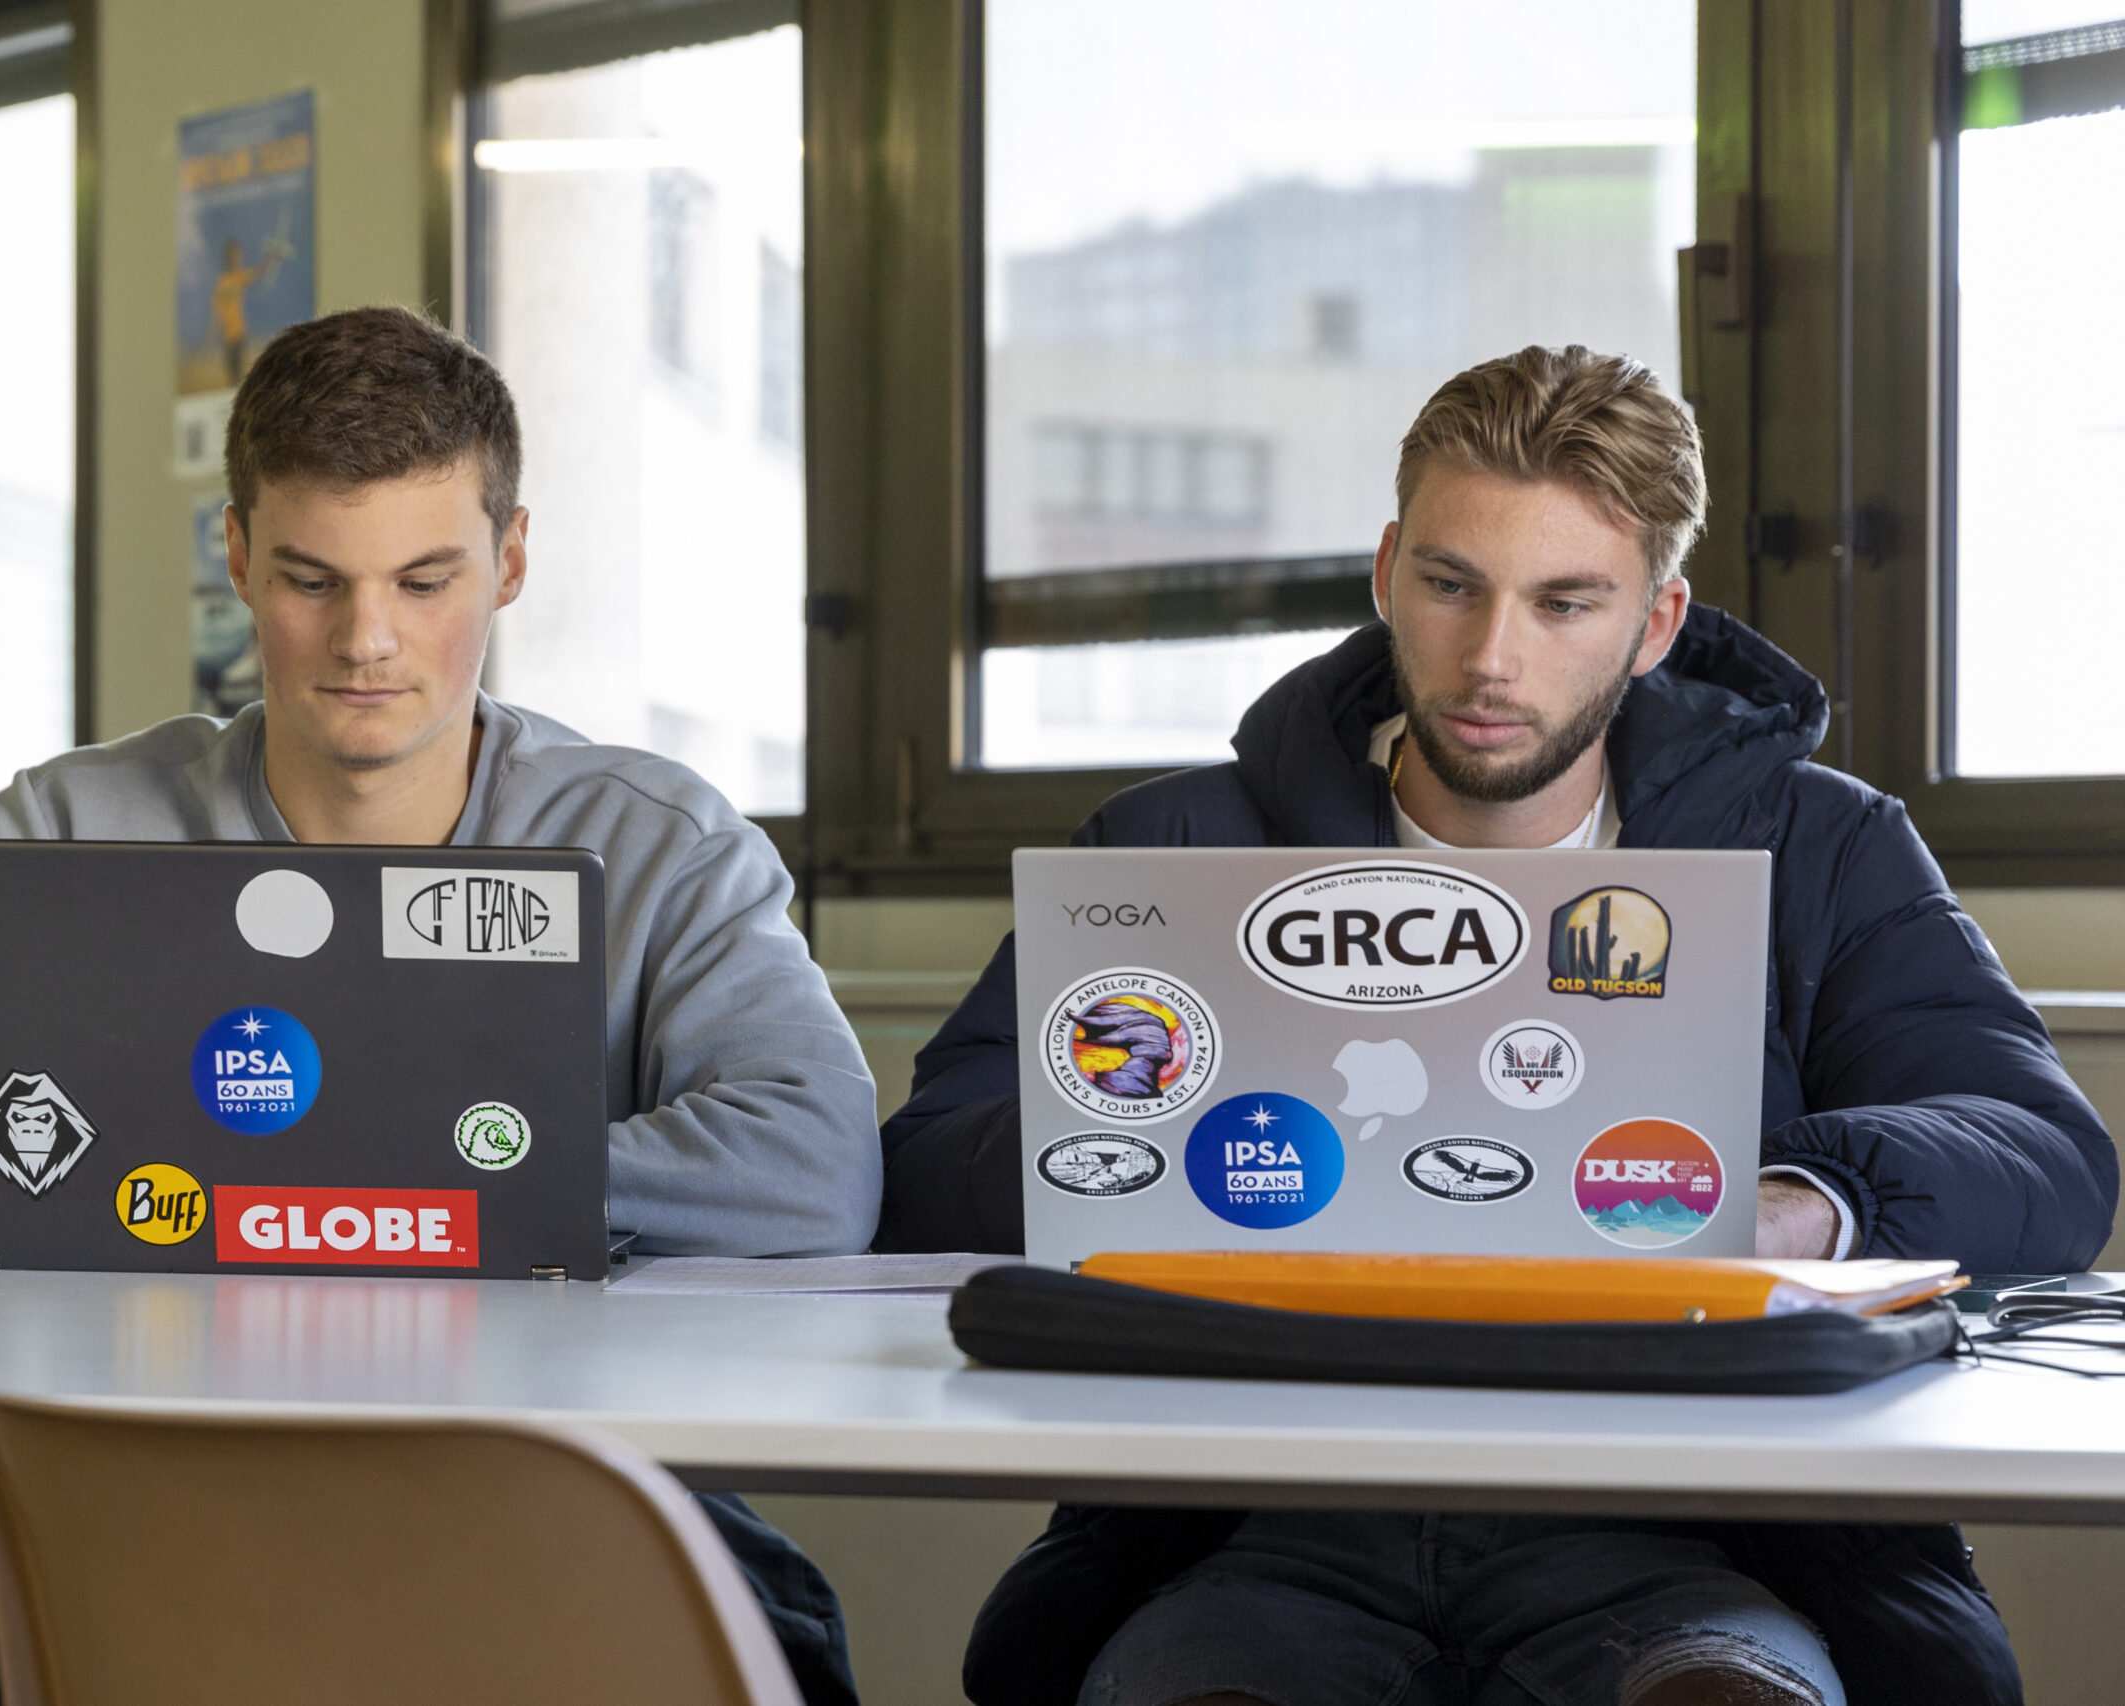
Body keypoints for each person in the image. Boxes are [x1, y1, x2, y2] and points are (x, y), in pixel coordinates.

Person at [0, 305, 879, 1705]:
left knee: (771, 1631)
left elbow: (817, 1161)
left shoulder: (663, 841)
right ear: (238, 554)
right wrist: (25, 1181)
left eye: (427, 578)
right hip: (158, 1494)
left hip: (567, 1479)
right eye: (312, 577)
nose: (368, 640)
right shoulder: (70, 833)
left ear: (514, 559)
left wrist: (402, 1187)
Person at [884, 346, 2114, 1706]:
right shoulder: (1174, 846)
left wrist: (1803, 1200)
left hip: (1696, 1527)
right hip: (1253, 1524)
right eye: (1451, 584)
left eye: (1565, 601)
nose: (1490, 657)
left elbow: (2046, 1156)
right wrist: (1132, 1158)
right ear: (1385, 574)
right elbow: (925, 1166)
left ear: (1655, 624)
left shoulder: (1822, 845)